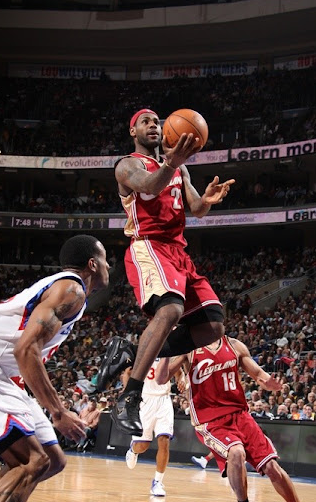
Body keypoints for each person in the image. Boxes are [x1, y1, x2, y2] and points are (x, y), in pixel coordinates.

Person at [100, 108, 235, 435]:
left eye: (156, 122)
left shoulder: (179, 168)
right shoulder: (127, 165)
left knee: (213, 326)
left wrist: (207, 200)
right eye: (145, 122)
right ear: (133, 131)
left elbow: (195, 208)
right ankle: (129, 397)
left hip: (178, 251)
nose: (153, 126)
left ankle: (129, 352)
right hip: (149, 245)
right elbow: (148, 184)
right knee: (171, 309)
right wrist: (171, 164)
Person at [0, 234, 110, 502]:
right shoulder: (71, 290)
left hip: (5, 374)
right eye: (106, 259)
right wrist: (58, 412)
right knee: (33, 461)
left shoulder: (70, 293)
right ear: (92, 264)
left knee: (53, 460)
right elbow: (25, 350)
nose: (109, 266)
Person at [169, 336, 316, 502]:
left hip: (241, 415)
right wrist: (173, 356)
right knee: (236, 452)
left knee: (272, 467)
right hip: (210, 419)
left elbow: (258, 374)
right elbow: (163, 377)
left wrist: (269, 383)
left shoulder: (234, 345)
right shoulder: (189, 347)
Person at [125, 358, 176, 497]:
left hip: (164, 399)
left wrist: (182, 379)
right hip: (145, 399)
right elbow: (127, 372)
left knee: (164, 440)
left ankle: (158, 482)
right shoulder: (142, 351)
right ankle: (133, 450)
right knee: (142, 446)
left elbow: (178, 370)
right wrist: (128, 395)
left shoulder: (169, 352)